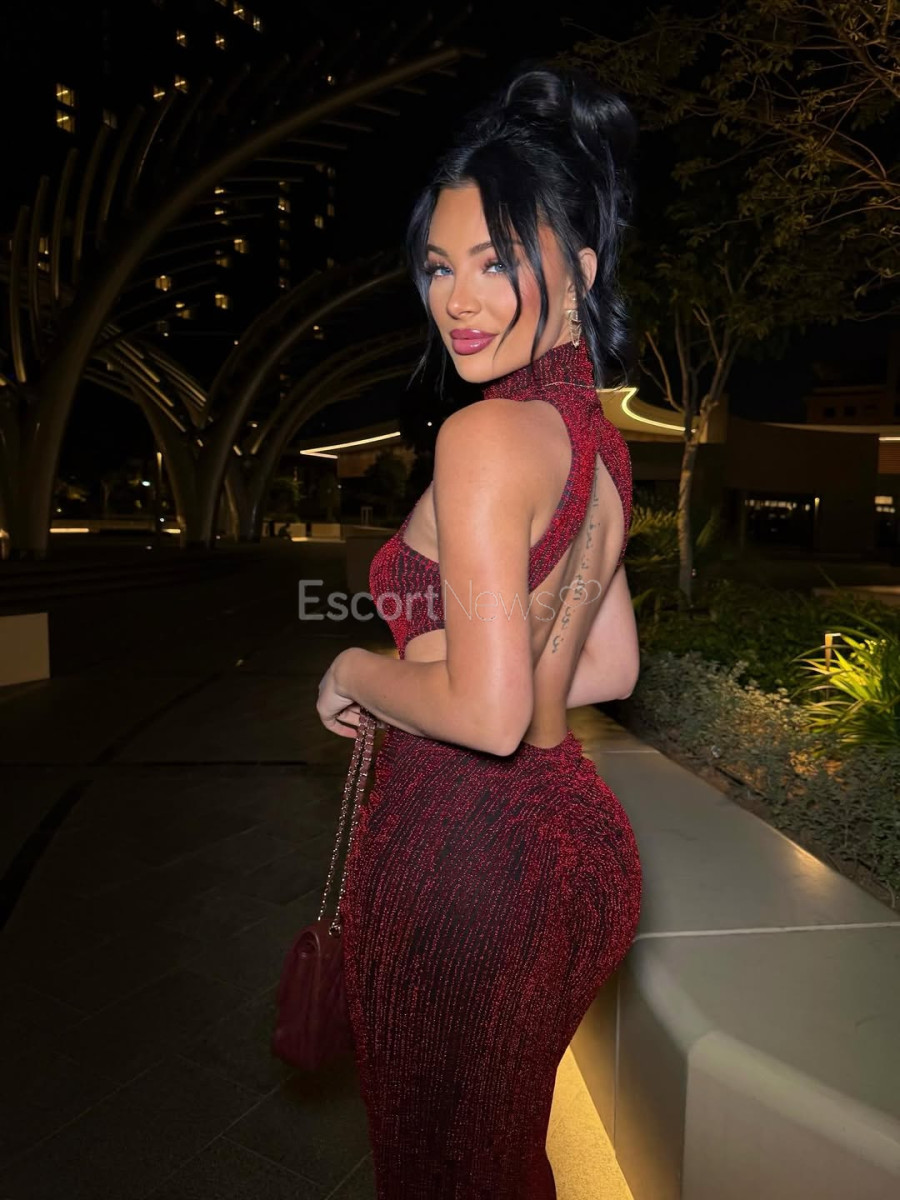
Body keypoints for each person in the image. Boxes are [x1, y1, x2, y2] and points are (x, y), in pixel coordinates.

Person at [316, 63, 643, 1199]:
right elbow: (609, 664)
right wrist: (479, 668)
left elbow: (491, 717)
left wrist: (356, 667)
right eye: (438, 265)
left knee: (440, 1167)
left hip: (468, 854)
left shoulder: (486, 437)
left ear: (580, 270)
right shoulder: (593, 439)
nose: (459, 297)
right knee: (497, 1158)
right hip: (577, 848)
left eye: (499, 261)